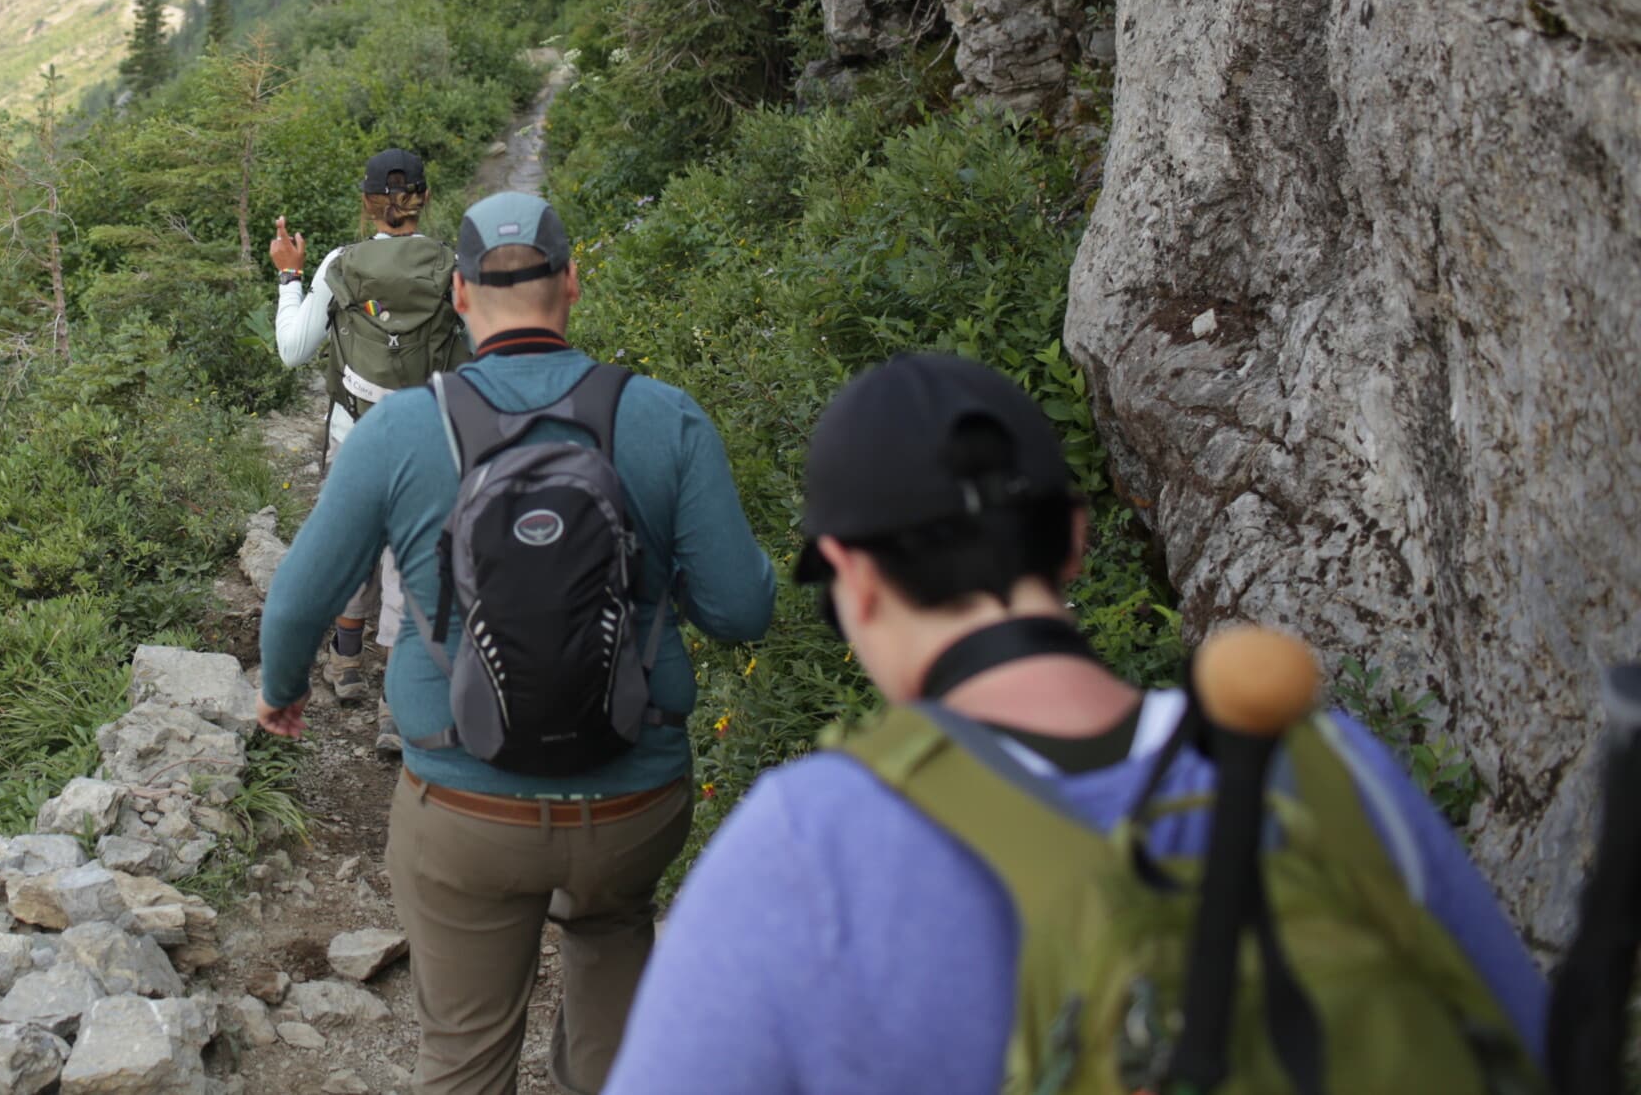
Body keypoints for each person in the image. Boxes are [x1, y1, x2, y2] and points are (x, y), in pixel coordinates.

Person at [604, 351, 1550, 1095]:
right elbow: (1526, 1048)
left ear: (852, 578)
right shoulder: (1330, 765)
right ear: (1074, 538)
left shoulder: (808, 847)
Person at [257, 191, 778, 1095]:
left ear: (459, 294)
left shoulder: (402, 430)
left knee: (463, 1059)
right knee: (615, 961)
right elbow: (742, 609)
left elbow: (297, 601)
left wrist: (282, 690)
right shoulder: (666, 418)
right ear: (572, 281)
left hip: (465, 806)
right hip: (632, 798)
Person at [272, 147, 469, 745]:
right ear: (425, 198)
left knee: (357, 542)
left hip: (355, 434)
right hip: (430, 440)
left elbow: (292, 351)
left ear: (367, 203)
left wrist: (288, 276)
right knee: (412, 564)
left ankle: (346, 660)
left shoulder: (341, 264)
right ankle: (395, 702)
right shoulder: (451, 265)